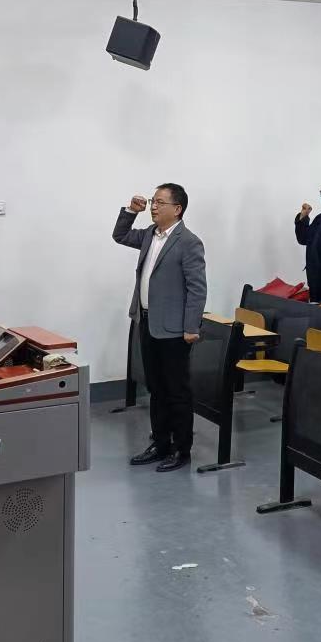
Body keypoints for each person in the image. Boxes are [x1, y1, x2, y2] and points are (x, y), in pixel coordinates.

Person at [113, 184, 207, 473]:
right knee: (156, 387)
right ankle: (161, 442)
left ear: (177, 209)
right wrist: (131, 211)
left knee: (177, 390)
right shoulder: (148, 235)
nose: (153, 206)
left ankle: (182, 449)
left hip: (175, 330)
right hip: (147, 322)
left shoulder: (188, 242)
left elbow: (197, 288)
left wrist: (191, 326)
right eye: (153, 201)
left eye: (160, 202)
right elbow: (120, 235)